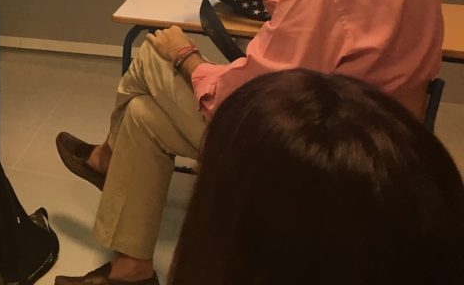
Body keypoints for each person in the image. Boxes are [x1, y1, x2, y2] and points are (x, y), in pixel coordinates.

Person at [54, 0, 444, 285]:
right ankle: (132, 268)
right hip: (385, 150)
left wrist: (183, 54)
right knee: (143, 117)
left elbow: (245, 97)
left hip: (313, 157)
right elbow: (306, 3)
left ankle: (106, 159)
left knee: (150, 54)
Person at [169, 69, 464, 285]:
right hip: (382, 140)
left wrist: (185, 56)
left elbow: (259, 81)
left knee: (152, 80)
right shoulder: (409, 162)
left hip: (311, 154)